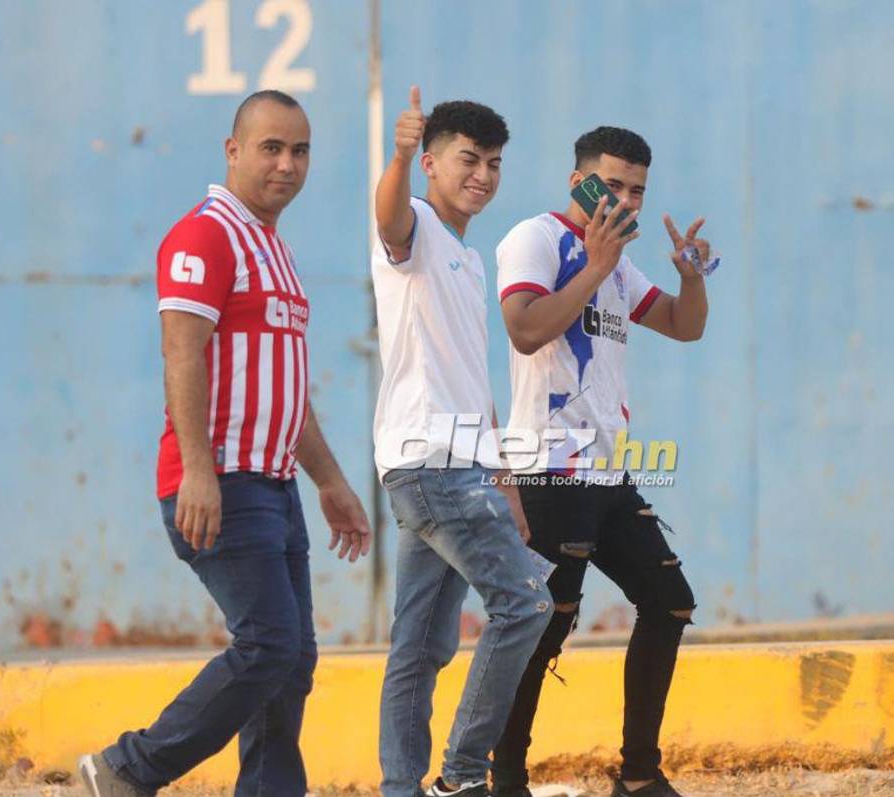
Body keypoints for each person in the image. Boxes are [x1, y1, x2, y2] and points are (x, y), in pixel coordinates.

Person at [78, 89, 371, 797]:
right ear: (232, 150)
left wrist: (329, 482)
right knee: (268, 644)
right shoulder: (205, 235)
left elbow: (286, 391)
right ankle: (126, 769)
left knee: (292, 657)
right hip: (220, 481)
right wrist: (200, 473)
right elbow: (182, 353)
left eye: (300, 150)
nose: (287, 163)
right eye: (271, 147)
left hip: (274, 484)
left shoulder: (275, 249)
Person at [491, 126, 710, 797]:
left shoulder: (617, 262)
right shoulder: (537, 238)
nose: (626, 199)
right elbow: (525, 329)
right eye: (612, 184)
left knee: (669, 601)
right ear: (578, 180)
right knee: (545, 622)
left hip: (607, 472)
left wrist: (690, 276)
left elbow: (683, 323)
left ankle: (640, 772)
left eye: (637, 189)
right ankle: (504, 776)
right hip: (549, 469)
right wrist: (593, 263)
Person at [372, 86, 554, 797]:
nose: (482, 174)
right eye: (468, 159)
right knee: (526, 602)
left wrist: (505, 478)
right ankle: (462, 777)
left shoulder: (468, 259)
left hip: (459, 462)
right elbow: (387, 216)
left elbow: (472, 380)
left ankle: (401, 787)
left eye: (495, 163)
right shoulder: (414, 225)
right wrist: (397, 153)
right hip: (431, 466)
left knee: (420, 643)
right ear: (432, 164)